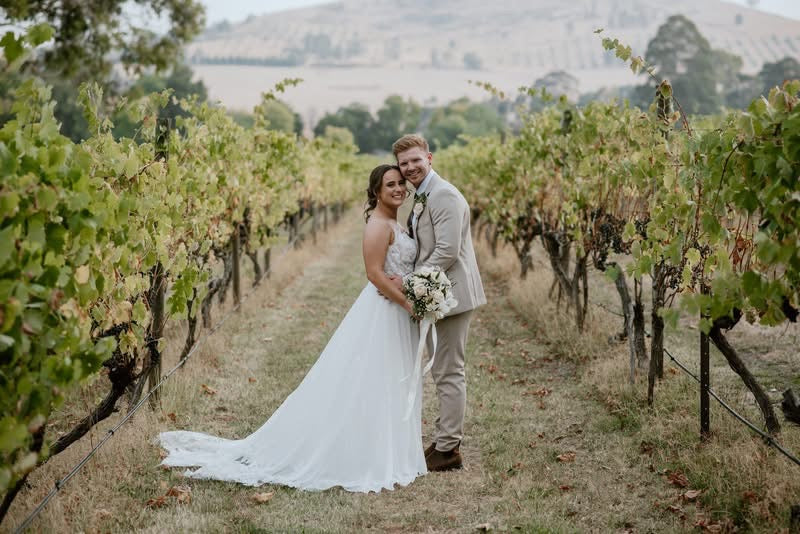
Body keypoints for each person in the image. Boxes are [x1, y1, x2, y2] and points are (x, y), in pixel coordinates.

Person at [158, 164, 427, 492]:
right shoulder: (377, 226)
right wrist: (406, 302)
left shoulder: (395, 222)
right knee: (372, 379)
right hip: (385, 310)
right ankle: (366, 455)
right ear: (376, 192)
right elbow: (374, 274)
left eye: (401, 183)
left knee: (389, 379)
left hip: (395, 309)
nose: (399, 189)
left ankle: (388, 450)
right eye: (390, 185)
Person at [390, 134, 486, 472]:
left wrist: (410, 283)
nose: (410, 167)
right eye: (404, 164)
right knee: (444, 369)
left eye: (416, 160)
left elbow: (446, 251)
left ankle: (448, 450)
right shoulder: (424, 194)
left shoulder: (443, 194)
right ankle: (444, 440)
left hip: (453, 295)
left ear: (429, 157)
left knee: (449, 370)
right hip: (440, 292)